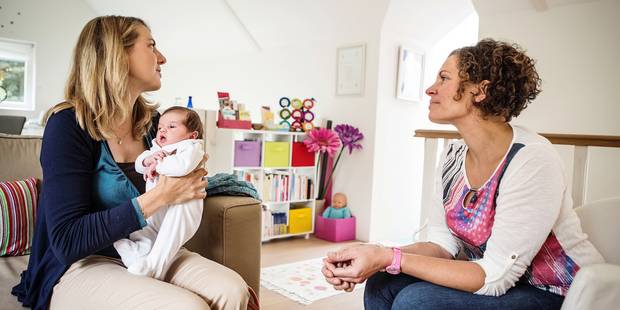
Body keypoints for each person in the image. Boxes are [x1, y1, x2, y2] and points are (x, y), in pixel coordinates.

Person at [321, 39, 605, 310]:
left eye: (444, 78)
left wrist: (389, 257)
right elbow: (442, 245)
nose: (430, 89)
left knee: (417, 303)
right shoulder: (453, 156)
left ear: (480, 91)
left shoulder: (532, 159)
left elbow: (495, 277)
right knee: (383, 283)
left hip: (558, 294)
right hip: (500, 280)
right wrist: (375, 255)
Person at [12, 16, 250, 310]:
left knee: (233, 290)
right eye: (151, 46)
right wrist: (161, 195)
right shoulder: (68, 126)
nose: (162, 57)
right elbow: (66, 239)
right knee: (186, 307)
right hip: (82, 261)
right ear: (117, 54)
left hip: (147, 247)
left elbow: (176, 188)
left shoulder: (154, 125)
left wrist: (189, 176)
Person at [114, 106, 205, 280]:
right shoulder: (156, 148)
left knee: (166, 237)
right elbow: (139, 164)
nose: (163, 130)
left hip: (180, 209)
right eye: (160, 127)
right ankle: (136, 255)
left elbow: (182, 167)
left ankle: (155, 266)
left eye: (171, 126)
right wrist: (148, 160)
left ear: (191, 135)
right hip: (157, 208)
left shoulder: (191, 148)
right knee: (141, 231)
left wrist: (158, 165)